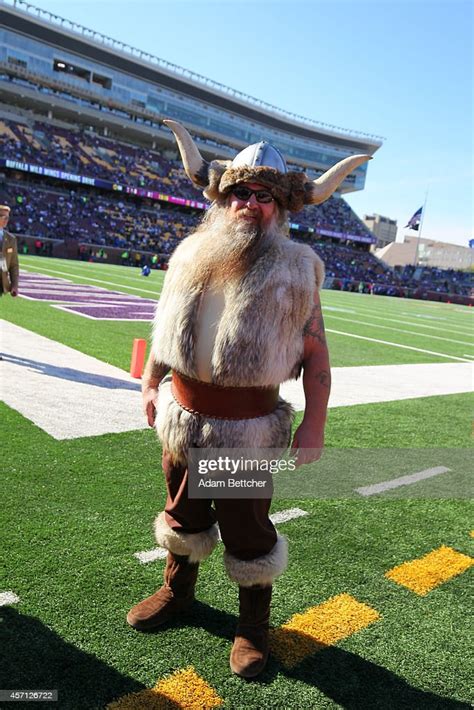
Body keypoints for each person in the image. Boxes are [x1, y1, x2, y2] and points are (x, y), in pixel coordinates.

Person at [127, 120, 371, 678]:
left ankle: (252, 627)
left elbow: (317, 357)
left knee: (246, 531)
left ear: (281, 207)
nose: (249, 204)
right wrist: (148, 384)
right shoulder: (192, 253)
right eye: (238, 192)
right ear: (222, 198)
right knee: (183, 513)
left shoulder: (297, 267)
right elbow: (166, 328)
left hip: (244, 429)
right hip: (181, 418)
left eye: (263, 196)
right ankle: (178, 592)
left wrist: (315, 425)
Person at [0, 205, 19, 298]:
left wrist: (14, 285)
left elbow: (13, 264)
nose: (7, 220)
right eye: (5, 217)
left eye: (8, 217)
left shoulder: (11, 239)